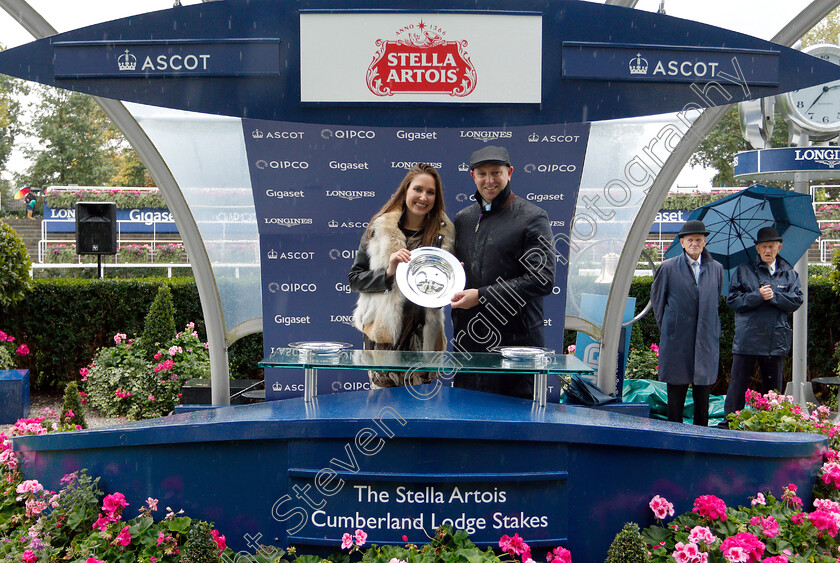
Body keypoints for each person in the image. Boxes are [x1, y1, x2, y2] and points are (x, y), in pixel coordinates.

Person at [450, 145, 555, 399]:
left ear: (509, 172)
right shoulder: (463, 219)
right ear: (472, 176)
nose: (489, 180)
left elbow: (542, 279)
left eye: (496, 172)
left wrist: (482, 295)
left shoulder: (533, 217)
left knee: (514, 429)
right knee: (468, 425)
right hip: (469, 346)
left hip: (516, 350)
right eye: (482, 174)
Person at [349, 163, 455, 388]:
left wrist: (454, 277)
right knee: (382, 408)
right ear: (405, 190)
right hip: (384, 340)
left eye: (430, 192)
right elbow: (355, 278)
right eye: (418, 189)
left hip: (424, 339)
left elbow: (449, 287)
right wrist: (388, 272)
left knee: (423, 414)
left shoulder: (444, 234)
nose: (423, 197)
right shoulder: (378, 229)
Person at [719, 226, 803, 426]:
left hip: (776, 338)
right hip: (747, 337)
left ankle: (772, 424)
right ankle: (730, 422)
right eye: (764, 246)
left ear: (779, 247)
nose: (767, 250)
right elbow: (733, 301)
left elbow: (797, 300)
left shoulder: (789, 273)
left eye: (771, 246)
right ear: (757, 248)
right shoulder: (743, 270)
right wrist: (757, 296)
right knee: (738, 385)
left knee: (773, 388)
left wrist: (774, 296)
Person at [651, 219, 723, 426]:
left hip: (705, 340)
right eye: (690, 240)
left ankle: (702, 437)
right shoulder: (668, 267)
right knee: (676, 392)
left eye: (698, 240)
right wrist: (670, 329)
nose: (694, 243)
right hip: (677, 340)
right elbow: (658, 303)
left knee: (703, 393)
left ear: (704, 242)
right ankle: (674, 435)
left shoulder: (716, 269)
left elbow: (714, 301)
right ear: (682, 242)